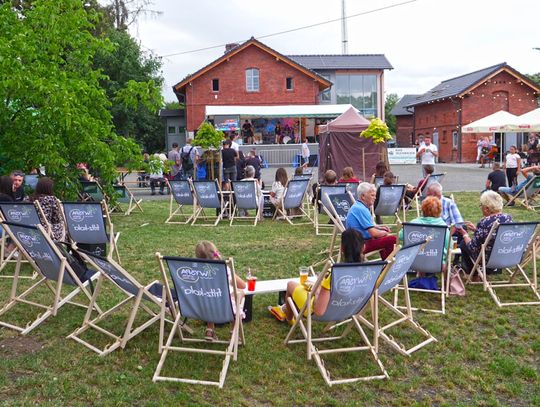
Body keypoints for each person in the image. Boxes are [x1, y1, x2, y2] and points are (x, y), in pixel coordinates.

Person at [268, 229, 365, 323]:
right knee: (308, 286)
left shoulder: (335, 274)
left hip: (319, 311)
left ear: (342, 248)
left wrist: (317, 290)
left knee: (290, 285)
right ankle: (285, 308)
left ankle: (288, 318)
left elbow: (319, 311)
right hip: (349, 308)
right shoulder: (369, 273)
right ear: (363, 247)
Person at [195, 241, 246, 341]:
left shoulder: (196, 271)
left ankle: (209, 329)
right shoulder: (224, 269)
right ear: (215, 252)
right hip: (226, 308)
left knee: (209, 297)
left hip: (203, 306)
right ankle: (233, 331)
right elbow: (243, 285)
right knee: (240, 294)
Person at [457, 191, 512, 274]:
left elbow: (472, 247)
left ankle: (474, 275)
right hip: (506, 254)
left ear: (486, 208)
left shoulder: (485, 222)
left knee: (464, 243)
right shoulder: (507, 218)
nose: (481, 208)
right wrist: (476, 230)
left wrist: (464, 234)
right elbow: (495, 236)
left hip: (487, 258)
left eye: (481, 205)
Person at [346, 182, 397, 260]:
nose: (375, 198)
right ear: (363, 196)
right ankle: (387, 265)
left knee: (383, 237)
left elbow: (367, 226)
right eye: (372, 195)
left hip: (357, 241)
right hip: (359, 245)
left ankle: (386, 263)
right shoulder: (361, 209)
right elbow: (374, 233)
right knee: (392, 239)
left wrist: (380, 228)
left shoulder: (358, 206)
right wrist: (385, 233)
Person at [399, 196, 449, 262]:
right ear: (440, 210)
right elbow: (449, 246)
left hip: (413, 261)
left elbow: (400, 236)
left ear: (423, 209)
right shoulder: (443, 226)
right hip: (437, 262)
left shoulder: (414, 223)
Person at [30, 177, 66, 241]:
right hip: (46, 231)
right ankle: (62, 248)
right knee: (63, 225)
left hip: (29, 229)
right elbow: (56, 219)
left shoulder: (29, 199)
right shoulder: (51, 199)